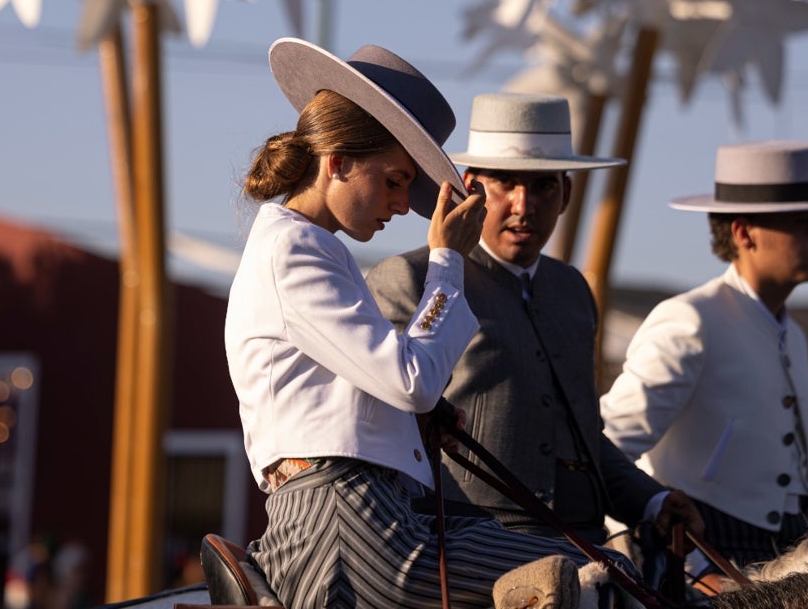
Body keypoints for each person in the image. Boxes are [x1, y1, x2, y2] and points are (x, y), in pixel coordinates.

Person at [225, 40, 610, 609]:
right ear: (338, 164)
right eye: (394, 180)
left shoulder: (310, 249)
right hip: (345, 524)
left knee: (598, 567)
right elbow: (412, 379)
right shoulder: (292, 252)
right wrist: (447, 261)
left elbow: (385, 392)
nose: (404, 204)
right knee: (596, 575)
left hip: (375, 514)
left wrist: (420, 420)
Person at [367, 92, 704, 547]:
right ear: (470, 187)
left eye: (543, 185)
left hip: (588, 546)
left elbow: (584, 436)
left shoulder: (572, 290)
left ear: (567, 193)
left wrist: (651, 501)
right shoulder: (410, 278)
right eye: (505, 183)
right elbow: (381, 434)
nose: (524, 206)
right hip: (470, 547)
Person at [599, 139, 808, 570]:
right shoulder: (690, 320)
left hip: (794, 553)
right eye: (804, 220)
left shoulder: (793, 335)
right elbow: (605, 449)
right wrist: (681, 565)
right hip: (701, 554)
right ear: (743, 232)